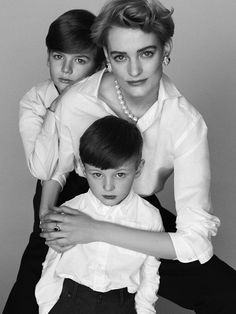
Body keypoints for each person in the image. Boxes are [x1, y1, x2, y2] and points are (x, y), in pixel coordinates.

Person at [39, 0, 235, 313]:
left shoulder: (184, 122)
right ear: (106, 56)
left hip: (136, 208)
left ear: (165, 48)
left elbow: (194, 242)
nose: (133, 71)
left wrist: (97, 230)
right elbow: (54, 171)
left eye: (146, 53)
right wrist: (48, 220)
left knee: (228, 294)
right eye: (120, 56)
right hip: (73, 203)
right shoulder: (76, 103)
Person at [3, 9, 104, 314]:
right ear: (48, 56)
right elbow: (43, 167)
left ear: (97, 64)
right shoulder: (35, 100)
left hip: (106, 186)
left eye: (80, 60)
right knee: (36, 277)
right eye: (59, 57)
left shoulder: (106, 96)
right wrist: (58, 107)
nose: (67, 69)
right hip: (57, 185)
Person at [36, 116, 163, 314]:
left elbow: (150, 273)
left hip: (120, 304)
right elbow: (51, 264)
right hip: (70, 301)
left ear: (138, 168)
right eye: (97, 174)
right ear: (81, 168)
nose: (108, 186)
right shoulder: (69, 210)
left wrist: (145, 310)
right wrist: (46, 307)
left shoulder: (149, 217)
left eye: (120, 174)